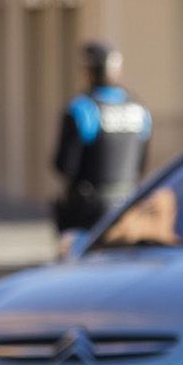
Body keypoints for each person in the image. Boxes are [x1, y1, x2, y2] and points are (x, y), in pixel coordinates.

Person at [51, 41, 151, 233]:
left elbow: (64, 165)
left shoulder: (82, 108)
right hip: (128, 206)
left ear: (88, 71)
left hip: (88, 211)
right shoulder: (139, 109)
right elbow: (141, 164)